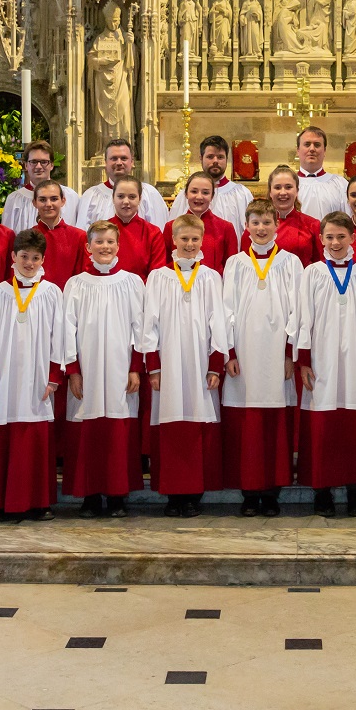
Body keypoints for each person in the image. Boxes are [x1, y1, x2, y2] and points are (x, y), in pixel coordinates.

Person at [295, 212, 356, 517]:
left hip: (355, 359)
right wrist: (304, 360)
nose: (335, 242)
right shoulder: (312, 273)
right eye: (329, 237)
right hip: (321, 360)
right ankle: (321, 491)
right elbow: (302, 317)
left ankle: (355, 490)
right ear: (320, 239)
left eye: (341, 236)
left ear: (353, 238)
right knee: (322, 425)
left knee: (354, 425)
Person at [0, 229, 74, 522]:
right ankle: (0, 503)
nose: (29, 263)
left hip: (38, 377)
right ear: (13, 257)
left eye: (35, 258)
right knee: (5, 438)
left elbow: (61, 336)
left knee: (36, 440)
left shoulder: (51, 292)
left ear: (43, 259)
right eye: (24, 257)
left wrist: (55, 375)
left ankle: (39, 502)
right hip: (6, 377)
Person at [140, 216, 230, 517]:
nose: (189, 245)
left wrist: (215, 365)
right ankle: (172, 494)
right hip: (168, 363)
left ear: (202, 241)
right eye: (184, 239)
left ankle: (194, 492)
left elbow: (219, 322)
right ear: (173, 241)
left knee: (197, 423)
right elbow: (148, 323)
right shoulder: (158, 277)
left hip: (200, 363)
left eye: (194, 240)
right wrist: (153, 366)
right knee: (170, 425)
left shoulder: (210, 277)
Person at [221, 198, 302, 517]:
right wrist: (228, 352)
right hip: (244, 355)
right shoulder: (235, 263)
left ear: (277, 225)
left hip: (276, 356)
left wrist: (288, 354)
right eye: (255, 222)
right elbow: (225, 311)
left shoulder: (291, 263)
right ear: (246, 225)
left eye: (267, 222)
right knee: (247, 426)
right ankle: (249, 492)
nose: (261, 228)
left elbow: (298, 313)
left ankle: (272, 491)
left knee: (273, 424)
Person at [64, 220, 146, 517]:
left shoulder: (132, 282)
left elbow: (141, 328)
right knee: (88, 430)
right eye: (99, 242)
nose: (105, 247)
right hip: (86, 370)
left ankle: (117, 494)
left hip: (120, 368)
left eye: (110, 242)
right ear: (88, 247)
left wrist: (135, 368)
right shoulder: (75, 284)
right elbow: (66, 330)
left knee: (118, 430)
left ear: (118, 246)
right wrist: (73, 370)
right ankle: (89, 495)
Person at [75, 140, 171, 228]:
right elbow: (83, 235)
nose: (119, 162)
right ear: (105, 162)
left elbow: (159, 232)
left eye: (124, 158)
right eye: (114, 158)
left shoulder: (150, 193)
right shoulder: (91, 196)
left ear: (132, 162)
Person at [240, 165, 321, 266]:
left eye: (288, 187)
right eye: (277, 187)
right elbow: (245, 264)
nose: (283, 192)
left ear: (297, 191)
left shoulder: (312, 225)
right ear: (270, 192)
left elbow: (319, 266)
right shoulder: (255, 226)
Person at [168, 135, 252, 225]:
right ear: (201, 158)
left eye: (220, 157)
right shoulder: (187, 194)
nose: (215, 161)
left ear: (227, 159)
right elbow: (174, 228)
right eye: (210, 157)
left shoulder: (241, 194)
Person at [1, 140, 81, 231]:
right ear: (26, 165)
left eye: (44, 162)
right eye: (33, 162)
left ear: (51, 165)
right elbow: (7, 235)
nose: (38, 166)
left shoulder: (70, 196)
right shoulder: (14, 199)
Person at [169, 171, 239, 273]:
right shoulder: (171, 227)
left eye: (205, 192)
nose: (199, 197)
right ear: (186, 194)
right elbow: (166, 265)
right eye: (194, 191)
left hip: (214, 286)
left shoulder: (225, 228)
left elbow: (231, 268)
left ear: (212, 196)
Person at [30, 179, 90, 289]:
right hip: (36, 300)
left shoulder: (79, 236)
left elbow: (84, 276)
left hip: (70, 299)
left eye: (54, 199)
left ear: (63, 201)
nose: (48, 204)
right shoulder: (28, 237)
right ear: (34, 203)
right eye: (42, 199)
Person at [107, 175, 169, 279]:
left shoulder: (152, 232)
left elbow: (156, 274)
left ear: (140, 199)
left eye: (132, 197)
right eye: (120, 196)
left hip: (142, 292)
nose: (126, 201)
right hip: (107, 291)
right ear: (113, 198)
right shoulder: (101, 231)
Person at [293, 126, 350, 218]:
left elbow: (348, 219)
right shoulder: (288, 185)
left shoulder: (340, 184)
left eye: (317, 145)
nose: (312, 149)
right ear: (298, 150)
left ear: (324, 151)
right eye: (307, 144)